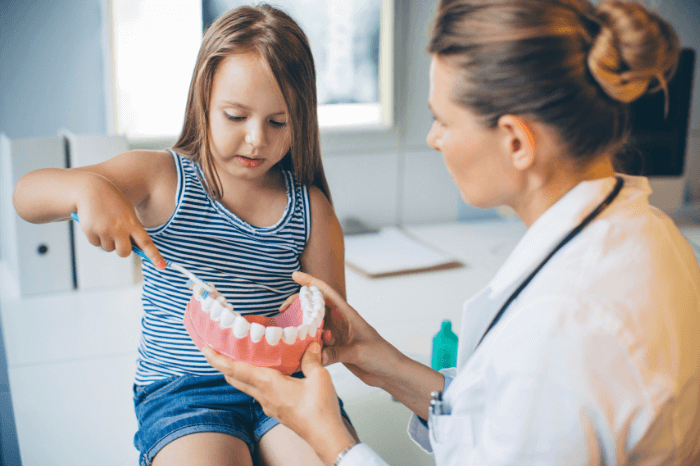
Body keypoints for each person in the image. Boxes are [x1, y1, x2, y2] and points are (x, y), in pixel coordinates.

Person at [203, 0, 700, 464]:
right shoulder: (651, 235)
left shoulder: (564, 330)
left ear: (515, 142)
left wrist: (331, 438)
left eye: (442, 119)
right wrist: (382, 362)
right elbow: (503, 421)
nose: (433, 138)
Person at [12, 5, 356, 466]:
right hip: (184, 389)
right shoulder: (160, 178)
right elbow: (26, 195)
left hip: (286, 381)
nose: (256, 139)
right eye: (236, 116)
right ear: (204, 100)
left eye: (279, 122)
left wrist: (314, 334)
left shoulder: (311, 209)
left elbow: (334, 326)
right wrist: (84, 187)